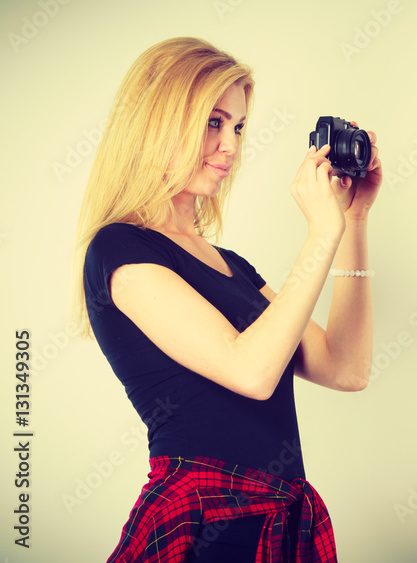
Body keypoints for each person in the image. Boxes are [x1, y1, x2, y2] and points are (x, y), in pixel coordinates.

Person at [72, 37, 381, 562]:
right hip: (204, 522)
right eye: (213, 123)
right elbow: (251, 372)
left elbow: (345, 368)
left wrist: (351, 221)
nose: (231, 146)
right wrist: (319, 234)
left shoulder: (231, 265)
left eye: (237, 127)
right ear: (157, 123)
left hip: (280, 522)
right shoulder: (120, 249)